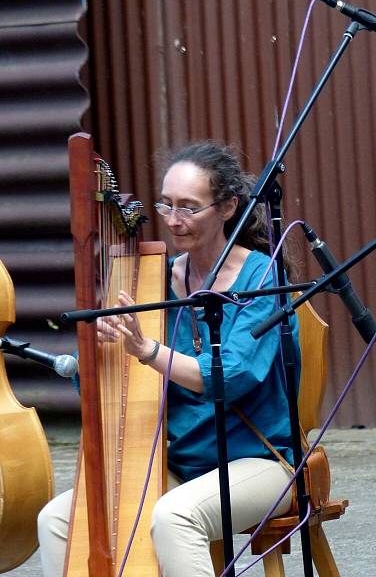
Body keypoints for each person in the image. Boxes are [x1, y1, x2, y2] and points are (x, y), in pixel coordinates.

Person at [37, 142, 300, 577]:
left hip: (258, 462)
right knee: (57, 519)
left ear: (228, 207)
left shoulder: (263, 277)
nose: (175, 221)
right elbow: (102, 392)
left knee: (174, 517)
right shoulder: (153, 278)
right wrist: (99, 355)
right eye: (167, 205)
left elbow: (229, 376)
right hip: (179, 465)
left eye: (190, 208)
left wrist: (148, 351)